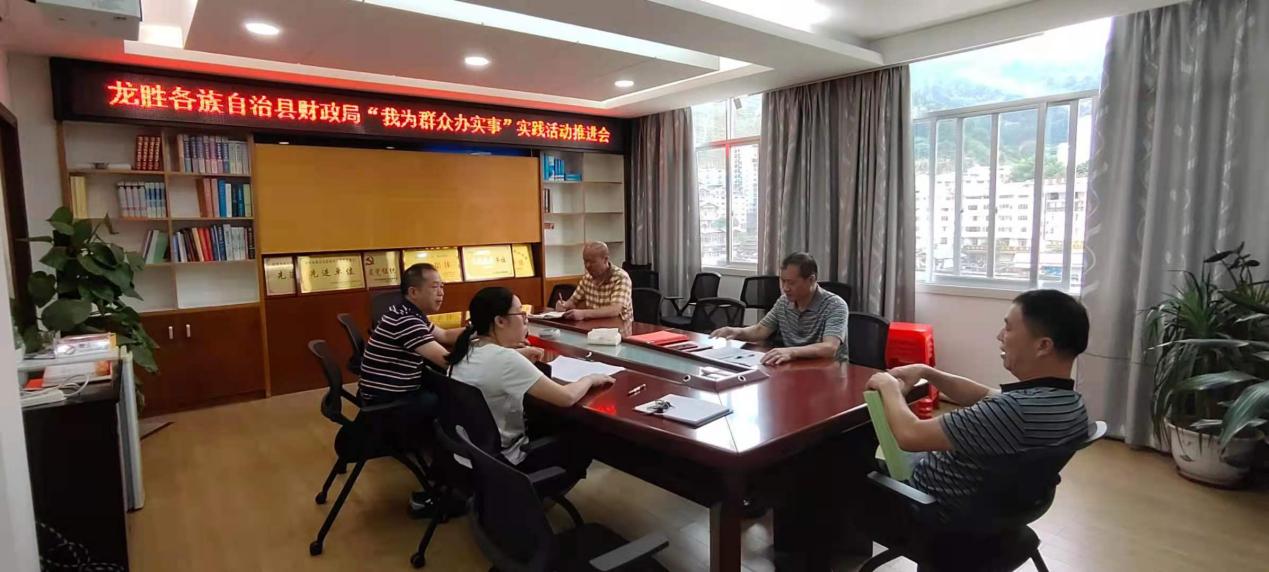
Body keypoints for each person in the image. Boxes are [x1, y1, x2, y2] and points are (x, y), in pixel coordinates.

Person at [865, 289, 1091, 523]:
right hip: (993, 510)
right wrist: (927, 372)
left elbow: (910, 435)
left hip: (929, 507)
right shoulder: (1068, 404)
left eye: (1009, 328)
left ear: (1043, 346)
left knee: (848, 466)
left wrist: (888, 386)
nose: (1000, 336)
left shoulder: (1011, 412)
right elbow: (984, 394)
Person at [450, 286, 614, 476]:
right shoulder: (506, 360)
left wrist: (518, 354)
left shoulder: (467, 348)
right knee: (584, 435)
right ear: (500, 321)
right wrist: (590, 378)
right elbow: (566, 397)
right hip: (502, 465)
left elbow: (493, 363)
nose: (526, 319)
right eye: (520, 313)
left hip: (467, 455)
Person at [710, 252, 849, 365]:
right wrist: (736, 331)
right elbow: (760, 330)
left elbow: (829, 348)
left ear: (811, 280)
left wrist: (791, 352)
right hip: (794, 366)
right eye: (783, 281)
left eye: (792, 283)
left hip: (829, 371)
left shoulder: (835, 305)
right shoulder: (784, 301)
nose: (785, 288)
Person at [555, 241, 633, 322]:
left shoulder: (620, 277)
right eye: (585, 261)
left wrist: (584, 314)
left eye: (592, 262)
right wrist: (564, 305)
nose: (587, 265)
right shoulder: (587, 278)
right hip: (594, 326)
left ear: (605, 260)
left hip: (619, 327)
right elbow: (573, 301)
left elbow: (614, 310)